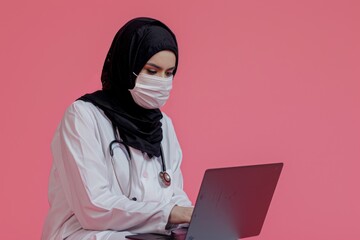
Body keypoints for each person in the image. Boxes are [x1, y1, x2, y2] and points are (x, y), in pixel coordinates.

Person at [42, 17, 193, 240]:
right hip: (84, 233)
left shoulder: (163, 125)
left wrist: (192, 214)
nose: (162, 81)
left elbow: (173, 194)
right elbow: (94, 207)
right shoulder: (83, 116)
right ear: (127, 65)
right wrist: (170, 213)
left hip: (147, 233)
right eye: (152, 71)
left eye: (169, 73)